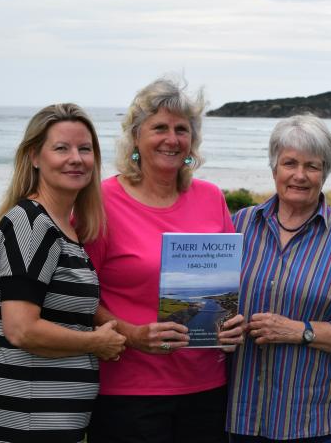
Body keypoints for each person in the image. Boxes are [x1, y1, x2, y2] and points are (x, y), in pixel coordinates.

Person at [84, 77, 235, 443]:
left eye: (181, 129)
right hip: (129, 392)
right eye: (159, 128)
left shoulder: (211, 197)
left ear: (192, 141)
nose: (172, 139)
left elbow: (229, 283)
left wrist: (233, 323)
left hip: (206, 387)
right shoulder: (101, 202)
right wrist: (132, 335)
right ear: (136, 137)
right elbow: (79, 298)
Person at [218, 114, 331, 442]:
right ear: (274, 167)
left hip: (314, 419)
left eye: (312, 166)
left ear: (326, 172)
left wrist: (298, 331)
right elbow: (212, 302)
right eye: (290, 163)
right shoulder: (238, 225)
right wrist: (214, 330)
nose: (300, 176)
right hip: (241, 414)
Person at [0, 103, 126, 443]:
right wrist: (96, 342)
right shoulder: (30, 224)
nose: (76, 158)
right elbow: (21, 328)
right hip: (27, 421)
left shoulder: (66, 228)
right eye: (61, 148)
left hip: (55, 421)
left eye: (85, 149)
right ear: (35, 156)